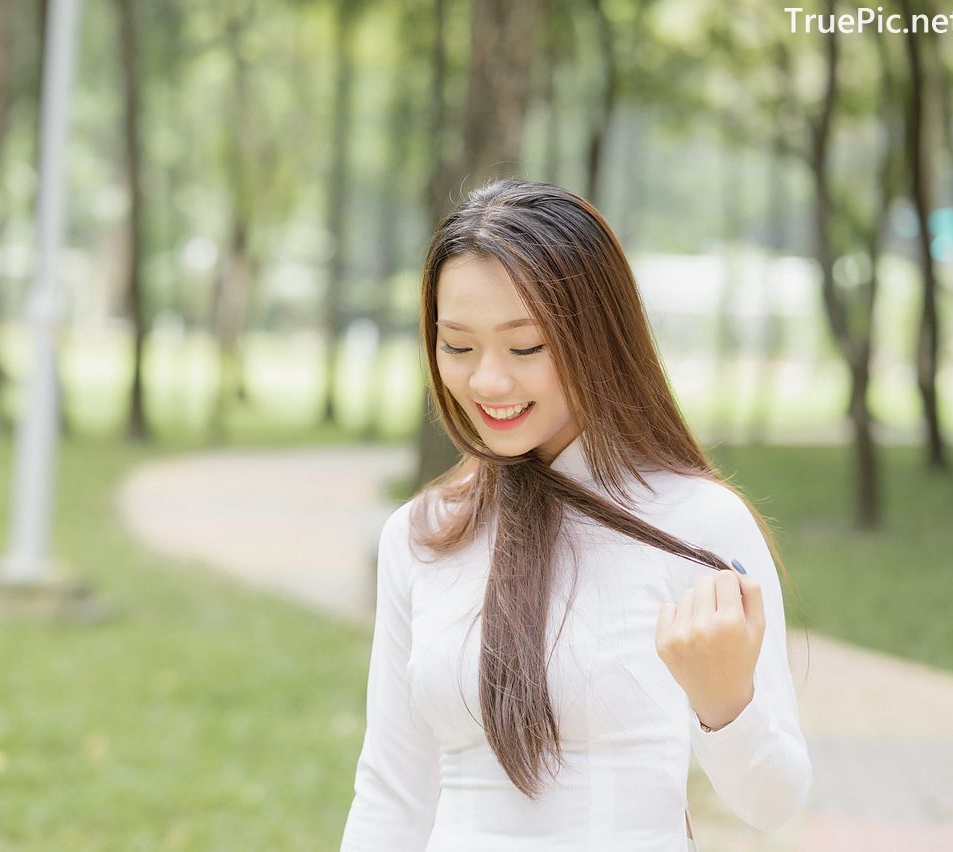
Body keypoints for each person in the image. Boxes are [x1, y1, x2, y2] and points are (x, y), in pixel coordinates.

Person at [339, 179, 812, 851]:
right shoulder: (421, 534)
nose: (487, 382)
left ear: (597, 338)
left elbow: (775, 804)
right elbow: (390, 796)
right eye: (458, 346)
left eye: (525, 347)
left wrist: (725, 702)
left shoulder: (698, 522)